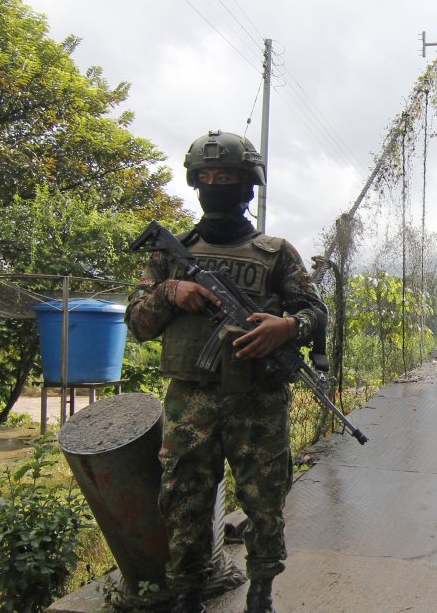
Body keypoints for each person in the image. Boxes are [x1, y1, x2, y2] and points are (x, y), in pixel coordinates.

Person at [125, 130, 328, 613]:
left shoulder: (276, 253)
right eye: (208, 178)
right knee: (183, 497)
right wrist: (168, 294)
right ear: (196, 184)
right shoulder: (170, 256)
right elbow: (138, 324)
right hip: (190, 400)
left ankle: (261, 591)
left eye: (228, 178)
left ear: (247, 187)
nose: (217, 185)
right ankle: (188, 591)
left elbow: (317, 313)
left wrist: (286, 327)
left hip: (258, 400)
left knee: (264, 498)